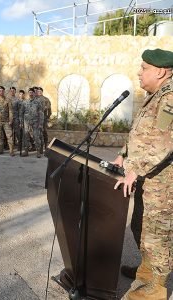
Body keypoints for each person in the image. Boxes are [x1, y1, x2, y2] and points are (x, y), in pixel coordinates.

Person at [114, 48, 173, 300]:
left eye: (144, 68)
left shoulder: (170, 98)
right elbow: (141, 134)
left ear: (160, 71)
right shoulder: (155, 95)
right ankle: (145, 274)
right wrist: (123, 154)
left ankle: (154, 289)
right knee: (141, 227)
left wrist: (136, 169)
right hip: (148, 181)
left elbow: (164, 141)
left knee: (158, 235)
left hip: (163, 186)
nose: (139, 73)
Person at [20, 87, 43, 158]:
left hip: (35, 123)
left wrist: (41, 124)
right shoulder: (24, 102)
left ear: (34, 93)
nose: (30, 93)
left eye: (32, 92)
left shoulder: (38, 102)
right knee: (26, 137)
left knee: (36, 137)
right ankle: (26, 151)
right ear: (28, 93)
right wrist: (21, 122)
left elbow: (41, 113)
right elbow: (21, 113)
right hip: (26, 123)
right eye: (29, 92)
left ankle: (38, 151)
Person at [0, 86, 14, 156]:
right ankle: (1, 149)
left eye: (2, 91)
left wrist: (11, 120)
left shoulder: (8, 100)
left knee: (9, 136)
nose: (1, 92)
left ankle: (11, 150)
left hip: (6, 121)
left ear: (4, 92)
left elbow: (10, 110)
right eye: (0, 91)